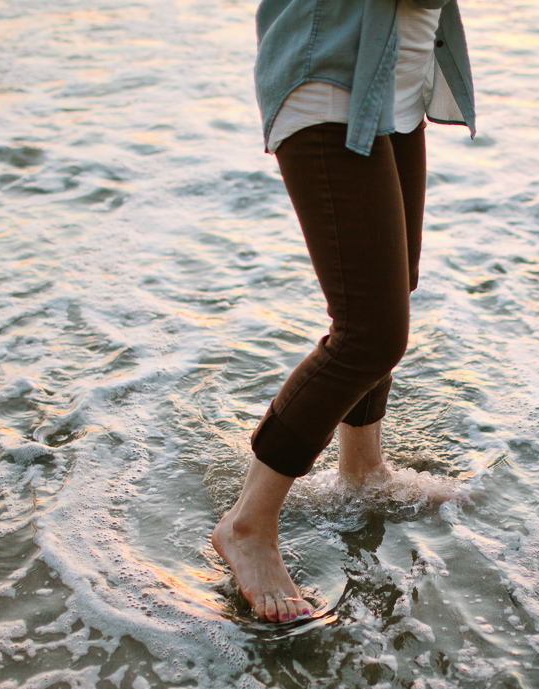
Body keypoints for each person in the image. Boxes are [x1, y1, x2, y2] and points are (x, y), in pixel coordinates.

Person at [212, 0, 477, 622]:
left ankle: (363, 469)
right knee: (369, 332)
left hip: (394, 83)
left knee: (388, 292)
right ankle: (248, 525)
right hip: (328, 81)